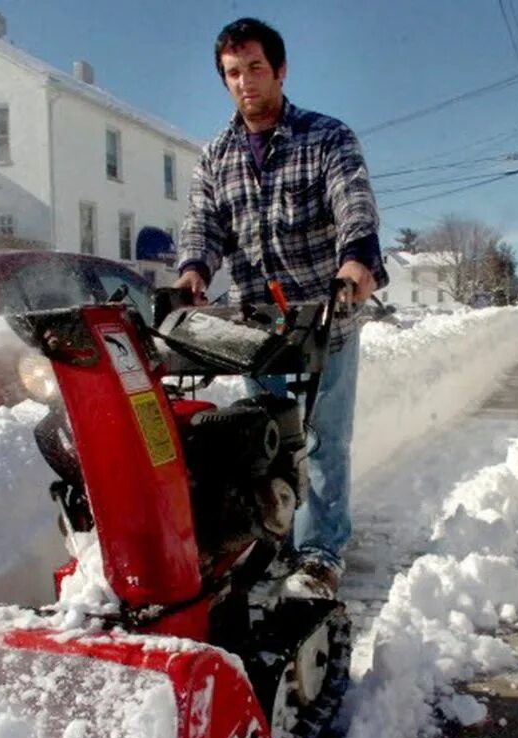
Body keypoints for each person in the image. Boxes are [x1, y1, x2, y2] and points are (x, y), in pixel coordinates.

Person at [175, 17, 387, 599]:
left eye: (255, 69)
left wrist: (356, 262)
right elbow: (202, 224)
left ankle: (319, 554)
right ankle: (273, 542)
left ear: (281, 70)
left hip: (325, 319)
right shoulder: (216, 155)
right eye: (233, 73)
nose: (245, 82)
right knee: (263, 441)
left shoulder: (326, 138)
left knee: (322, 439)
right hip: (257, 329)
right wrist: (194, 269)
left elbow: (355, 204)